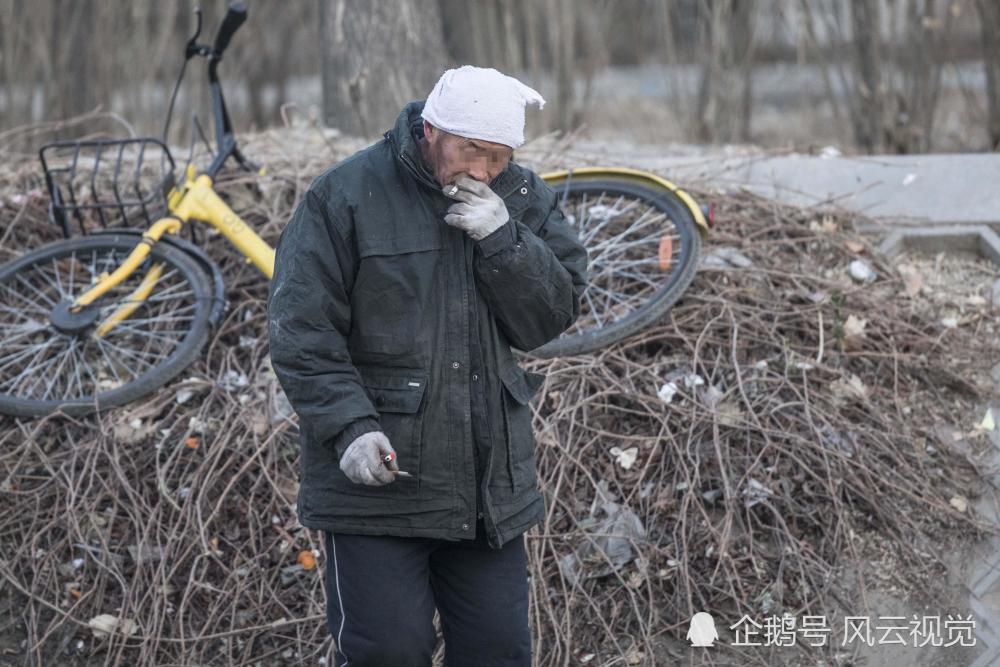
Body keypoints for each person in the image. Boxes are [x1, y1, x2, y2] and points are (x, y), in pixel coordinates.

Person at [266, 65, 588, 666]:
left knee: (498, 652)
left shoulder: (520, 197)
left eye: (499, 156)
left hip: (485, 491)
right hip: (378, 490)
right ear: (432, 130)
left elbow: (548, 319)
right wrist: (349, 428)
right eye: (471, 150)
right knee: (388, 652)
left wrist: (504, 240)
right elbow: (301, 332)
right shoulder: (345, 194)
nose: (483, 171)